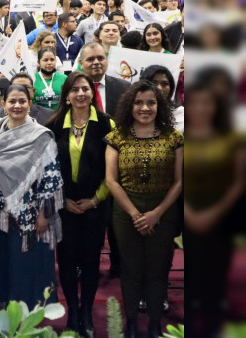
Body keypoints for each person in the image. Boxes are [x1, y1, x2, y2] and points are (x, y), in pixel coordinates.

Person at [104, 81, 183, 338]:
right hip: (126, 212)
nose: (145, 108)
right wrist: (135, 214)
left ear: (159, 106)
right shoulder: (118, 136)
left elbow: (179, 181)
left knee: (158, 268)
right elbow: (111, 181)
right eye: (138, 102)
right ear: (130, 105)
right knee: (131, 269)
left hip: (163, 210)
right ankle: (131, 325)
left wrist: (157, 213)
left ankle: (153, 325)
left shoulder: (174, 137)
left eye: (151, 102)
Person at [44, 72, 114, 337]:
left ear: (92, 92)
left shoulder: (107, 124)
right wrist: (63, 200)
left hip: (96, 205)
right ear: (67, 96)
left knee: (90, 260)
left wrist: (95, 199)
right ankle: (72, 311)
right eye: (75, 90)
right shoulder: (53, 124)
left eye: (85, 89)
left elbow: (113, 170)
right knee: (66, 259)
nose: (81, 94)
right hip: (64, 207)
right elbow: (47, 168)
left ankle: (86, 313)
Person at [0, 84, 64, 308]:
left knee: (28, 263)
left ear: (30, 103)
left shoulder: (41, 136)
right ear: (3, 104)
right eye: (12, 101)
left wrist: (43, 214)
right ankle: (5, 308)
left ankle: (31, 310)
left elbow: (51, 176)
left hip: (32, 212)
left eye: (22, 101)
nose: (17, 105)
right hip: (2, 210)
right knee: (5, 261)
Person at [184, 83, 245, 336]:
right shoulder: (179, 137)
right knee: (190, 281)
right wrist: (189, 214)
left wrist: (214, 213)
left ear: (217, 107)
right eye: (195, 102)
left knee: (215, 282)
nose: (201, 108)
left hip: (221, 220)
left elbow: (240, 181)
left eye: (207, 102)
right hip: (186, 216)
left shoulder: (233, 139)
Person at [78, 42, 130, 117]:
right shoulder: (72, 89)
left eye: (100, 58)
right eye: (90, 59)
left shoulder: (123, 87)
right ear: (81, 63)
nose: (96, 62)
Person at [141, 65, 183, 132]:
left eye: (165, 84)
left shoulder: (180, 114)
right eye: (154, 83)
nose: (159, 88)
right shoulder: (136, 112)